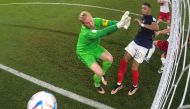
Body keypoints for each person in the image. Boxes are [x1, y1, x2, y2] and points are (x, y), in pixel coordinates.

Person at [76, 11, 131, 94]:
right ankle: (97, 84)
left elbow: (109, 23)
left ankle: (103, 74)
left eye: (91, 20)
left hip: (94, 47)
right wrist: (119, 25)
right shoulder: (86, 32)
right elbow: (104, 32)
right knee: (99, 73)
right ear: (83, 24)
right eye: (87, 23)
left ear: (92, 16)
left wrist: (122, 23)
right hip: (84, 52)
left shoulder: (96, 20)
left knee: (110, 59)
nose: (91, 23)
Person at [111, 3, 159, 95]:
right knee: (124, 61)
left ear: (149, 10)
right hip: (135, 42)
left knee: (134, 67)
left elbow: (156, 27)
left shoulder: (151, 18)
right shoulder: (144, 17)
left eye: (144, 8)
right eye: (142, 8)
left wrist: (142, 24)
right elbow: (147, 30)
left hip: (143, 47)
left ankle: (135, 86)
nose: (142, 10)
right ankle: (119, 84)